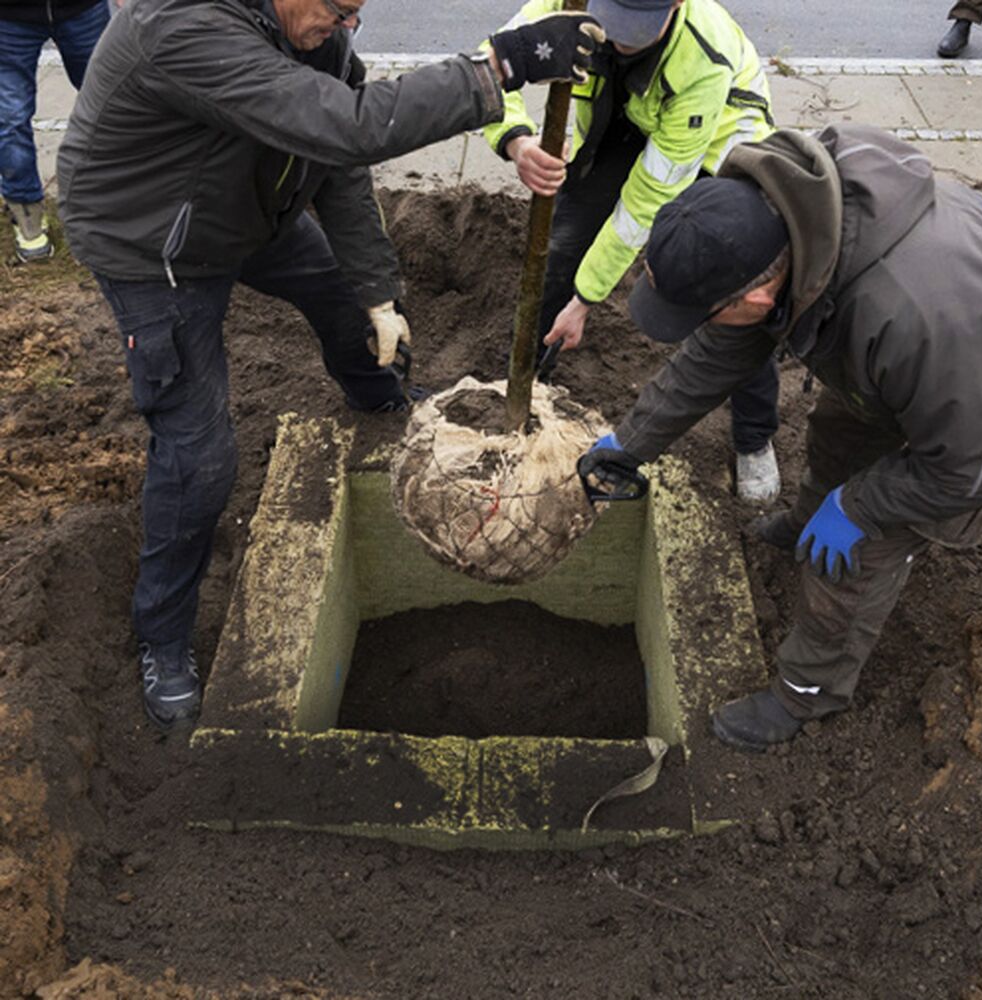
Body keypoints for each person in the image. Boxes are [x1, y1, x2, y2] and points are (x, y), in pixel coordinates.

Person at [56, 0, 602, 732]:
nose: (346, 27)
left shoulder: (310, 30)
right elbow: (344, 124)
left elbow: (338, 160)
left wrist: (377, 293)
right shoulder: (182, 25)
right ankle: (162, 638)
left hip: (250, 211)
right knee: (199, 455)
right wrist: (499, 68)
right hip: (157, 244)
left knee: (353, 311)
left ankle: (381, 401)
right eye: (337, 9)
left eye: (357, 13)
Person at [579, 122, 982, 751]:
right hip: (926, 371)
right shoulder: (781, 223)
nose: (701, 325)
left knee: (860, 548)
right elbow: (717, 353)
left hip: (980, 415)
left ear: (757, 295)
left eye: (706, 309)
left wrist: (860, 506)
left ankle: (808, 693)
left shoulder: (913, 319)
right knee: (838, 429)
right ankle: (810, 521)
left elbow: (971, 467)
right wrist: (629, 443)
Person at [484, 0, 782, 503]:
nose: (621, 40)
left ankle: (754, 438)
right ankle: (530, 381)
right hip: (627, 116)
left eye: (637, 30)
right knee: (564, 245)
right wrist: (516, 141)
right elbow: (492, 65)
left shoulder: (702, 60)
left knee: (735, 291)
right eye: (612, 24)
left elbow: (644, 203)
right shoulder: (567, 5)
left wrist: (588, 298)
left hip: (719, 146)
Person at [0, 0, 110, 261]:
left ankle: (118, 201)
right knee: (10, 119)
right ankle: (28, 215)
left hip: (83, 9)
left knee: (112, 106)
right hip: (8, 18)